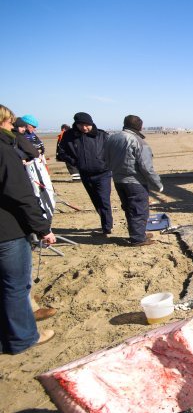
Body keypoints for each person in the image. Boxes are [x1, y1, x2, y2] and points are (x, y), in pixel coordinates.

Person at [0, 104, 56, 354]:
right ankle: (23, 338)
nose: (12, 126)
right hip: (6, 231)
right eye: (9, 122)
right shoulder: (5, 152)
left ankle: (10, 331)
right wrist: (43, 228)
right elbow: (22, 195)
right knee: (15, 285)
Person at [105, 115, 163, 246]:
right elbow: (146, 167)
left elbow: (106, 159)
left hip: (118, 180)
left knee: (129, 208)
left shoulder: (112, 138)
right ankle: (138, 238)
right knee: (139, 209)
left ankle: (138, 233)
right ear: (140, 126)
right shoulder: (138, 141)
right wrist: (157, 184)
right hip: (135, 182)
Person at [57, 112, 114, 235]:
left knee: (104, 200)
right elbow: (61, 152)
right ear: (76, 124)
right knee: (95, 200)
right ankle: (105, 222)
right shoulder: (68, 136)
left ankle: (107, 226)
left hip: (103, 173)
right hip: (85, 174)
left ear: (91, 123)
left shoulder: (101, 135)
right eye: (81, 125)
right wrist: (75, 162)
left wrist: (106, 163)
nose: (84, 128)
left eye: (87, 125)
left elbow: (112, 150)